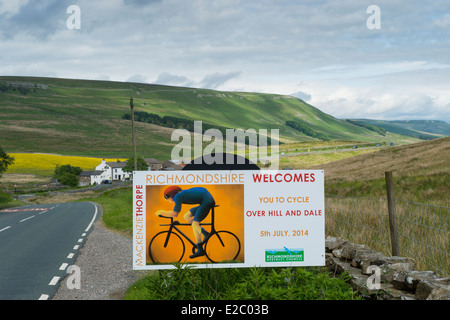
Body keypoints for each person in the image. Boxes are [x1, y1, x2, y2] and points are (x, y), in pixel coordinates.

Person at [156, 186, 215, 259]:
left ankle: (200, 250)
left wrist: (162, 212)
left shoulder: (177, 197)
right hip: (205, 200)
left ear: (171, 195)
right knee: (186, 216)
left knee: (195, 223)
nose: (168, 200)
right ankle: (205, 233)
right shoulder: (180, 195)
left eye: (168, 198)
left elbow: (175, 214)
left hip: (207, 201)